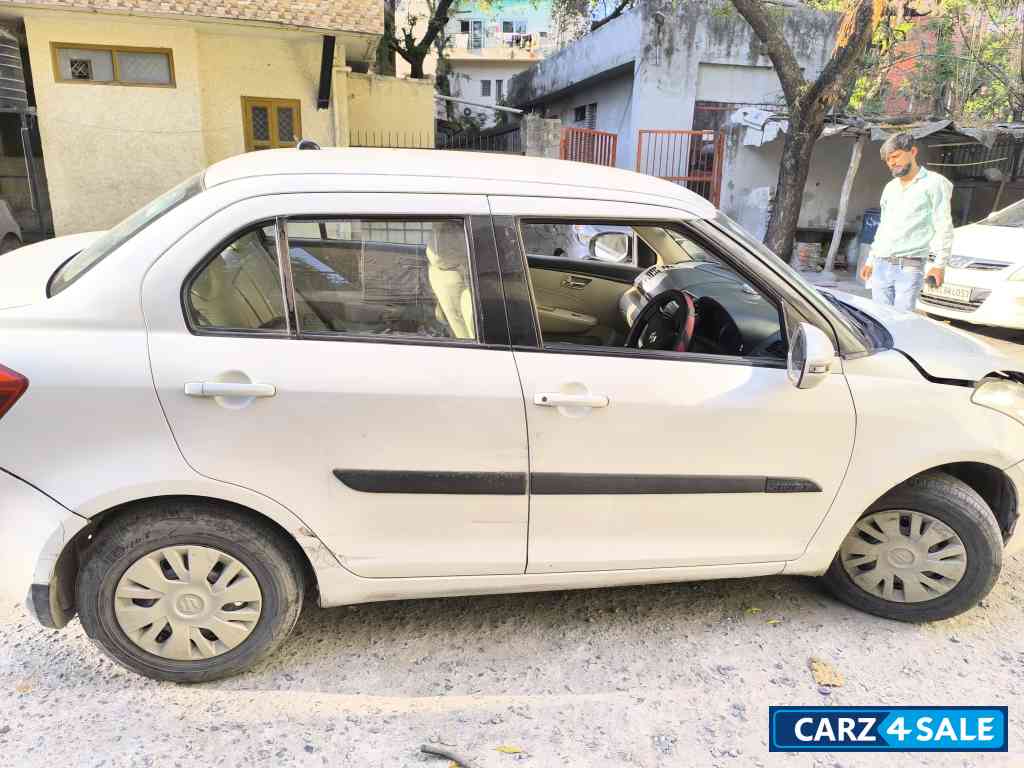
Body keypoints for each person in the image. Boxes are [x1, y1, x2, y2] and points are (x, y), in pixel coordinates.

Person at [859, 131, 953, 311]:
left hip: (909, 266)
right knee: (879, 320)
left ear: (913, 152)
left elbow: (944, 225)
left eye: (895, 156)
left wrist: (939, 265)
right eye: (888, 160)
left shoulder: (935, 183)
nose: (892, 162)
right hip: (881, 264)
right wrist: (871, 260)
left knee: (901, 322)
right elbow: (883, 226)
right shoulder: (890, 188)